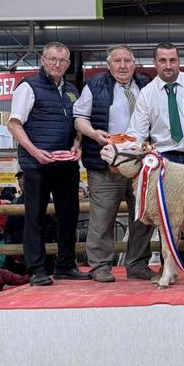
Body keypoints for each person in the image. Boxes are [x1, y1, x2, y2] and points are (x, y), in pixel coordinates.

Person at [127, 42, 184, 285]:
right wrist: (129, 151)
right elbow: (136, 133)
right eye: (163, 61)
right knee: (165, 218)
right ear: (154, 63)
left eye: (172, 60)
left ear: (179, 61)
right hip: (162, 161)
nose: (168, 66)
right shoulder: (147, 93)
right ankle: (169, 268)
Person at [7, 41, 90, 286]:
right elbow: (14, 124)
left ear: (68, 64)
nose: (57, 64)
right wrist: (34, 152)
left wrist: (78, 143)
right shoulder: (28, 87)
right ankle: (36, 269)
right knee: (35, 218)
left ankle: (65, 264)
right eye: (52, 59)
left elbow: (77, 124)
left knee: (69, 215)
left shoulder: (73, 90)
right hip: (37, 165)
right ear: (42, 60)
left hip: (66, 163)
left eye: (62, 60)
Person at [74, 44, 155, 283]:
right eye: (117, 61)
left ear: (134, 64)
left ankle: (138, 264)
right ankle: (100, 266)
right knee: (102, 217)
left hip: (140, 163)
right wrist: (93, 134)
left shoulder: (145, 85)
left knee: (142, 216)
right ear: (108, 65)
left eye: (127, 61)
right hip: (105, 163)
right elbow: (79, 118)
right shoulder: (94, 85)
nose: (122, 65)